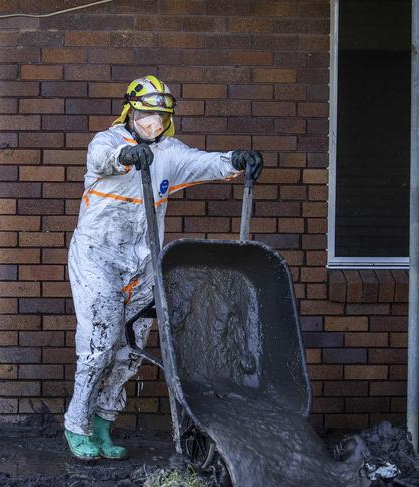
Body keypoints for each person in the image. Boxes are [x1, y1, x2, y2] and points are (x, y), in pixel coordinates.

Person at [64, 75, 263, 460]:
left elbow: (203, 163)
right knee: (100, 345)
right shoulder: (108, 142)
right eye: (143, 114)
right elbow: (100, 158)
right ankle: (77, 423)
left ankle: (105, 422)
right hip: (97, 259)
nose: (151, 122)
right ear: (129, 111)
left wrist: (235, 161)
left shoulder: (168, 153)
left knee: (131, 351)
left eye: (158, 116)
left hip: (142, 263)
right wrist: (126, 157)